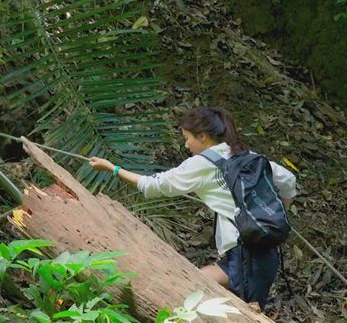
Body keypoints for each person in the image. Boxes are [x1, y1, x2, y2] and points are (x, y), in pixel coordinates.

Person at [89, 107, 297, 308]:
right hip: (262, 254)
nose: (186, 145)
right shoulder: (245, 155)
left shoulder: (202, 163)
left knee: (194, 297)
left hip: (245, 256)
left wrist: (112, 168)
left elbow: (154, 185)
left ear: (203, 136)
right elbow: (288, 180)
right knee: (199, 295)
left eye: (187, 138)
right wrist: (273, 214)